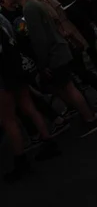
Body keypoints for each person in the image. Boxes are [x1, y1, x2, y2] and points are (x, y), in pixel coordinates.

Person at [1, 0, 97, 139]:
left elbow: (39, 39)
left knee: (69, 88)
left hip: (54, 53)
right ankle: (89, 116)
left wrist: (42, 64)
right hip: (58, 49)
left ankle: (90, 119)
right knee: (68, 87)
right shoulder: (32, 4)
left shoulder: (29, 9)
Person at [0, 13, 62, 182]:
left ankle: (21, 161)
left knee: (8, 120)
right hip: (16, 69)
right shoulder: (2, 19)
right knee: (28, 106)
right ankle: (49, 141)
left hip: (3, 77)